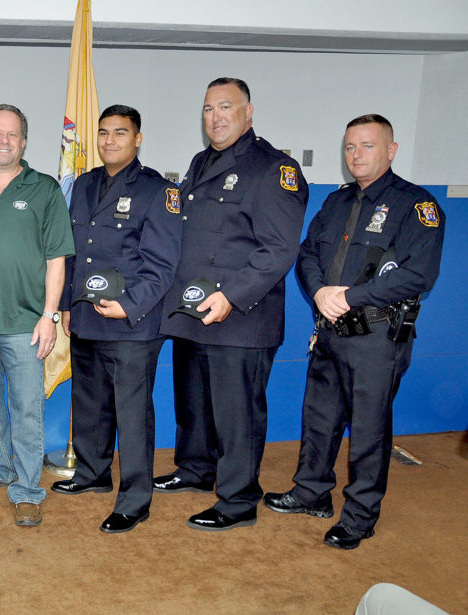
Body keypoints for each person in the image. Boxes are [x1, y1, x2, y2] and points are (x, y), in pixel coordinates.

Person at [263, 114, 444, 549]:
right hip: (329, 332)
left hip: (376, 338)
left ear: (391, 150)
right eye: (350, 147)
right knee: (319, 419)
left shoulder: (416, 206)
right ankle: (311, 493)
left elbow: (419, 275)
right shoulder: (338, 202)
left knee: (367, 430)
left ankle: (360, 516)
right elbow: (307, 253)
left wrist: (351, 297)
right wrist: (321, 291)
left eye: (367, 146)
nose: (356, 156)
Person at [156, 77, 309, 531]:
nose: (215, 117)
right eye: (207, 109)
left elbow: (279, 250)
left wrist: (231, 297)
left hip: (241, 317)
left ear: (248, 112)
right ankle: (197, 469)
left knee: (236, 413)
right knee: (195, 403)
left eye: (225, 107)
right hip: (194, 312)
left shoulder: (272, 168)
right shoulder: (201, 162)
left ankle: (238, 499)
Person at [52, 105, 182, 534]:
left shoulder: (157, 191)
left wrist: (130, 302)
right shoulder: (84, 184)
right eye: (104, 133)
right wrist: (69, 304)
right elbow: (74, 251)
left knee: (132, 414)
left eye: (120, 133)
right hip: (87, 317)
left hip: (132, 322)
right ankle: (92, 473)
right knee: (89, 405)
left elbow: (163, 263)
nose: (110, 141)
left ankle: (135, 499)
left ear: (137, 139)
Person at [0, 104, 74, 527]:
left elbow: (57, 258)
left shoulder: (44, 189)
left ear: (23, 142)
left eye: (13, 134)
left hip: (26, 323)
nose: (4, 141)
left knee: (26, 411)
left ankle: (26, 490)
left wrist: (50, 316)